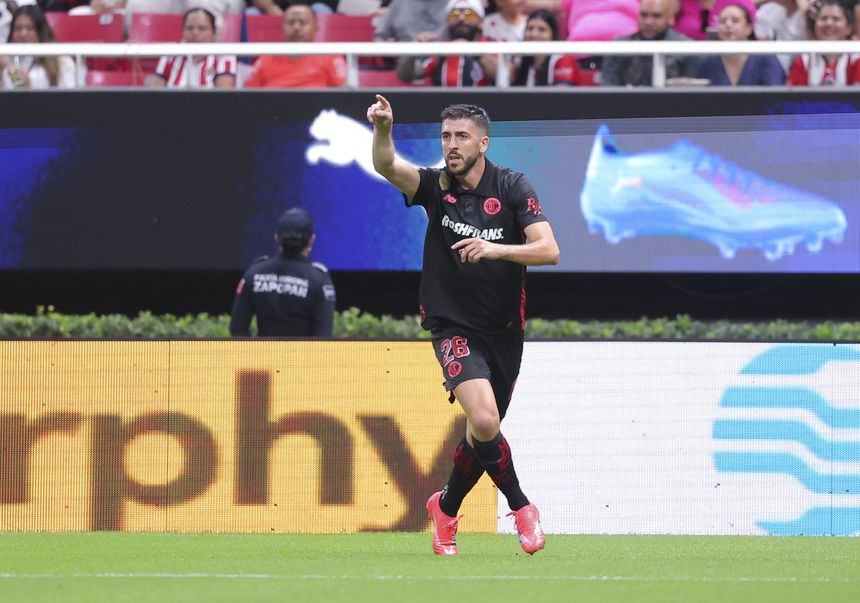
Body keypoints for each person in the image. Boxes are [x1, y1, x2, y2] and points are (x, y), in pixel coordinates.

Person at [367, 95, 560, 555]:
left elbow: (549, 250)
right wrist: (382, 130)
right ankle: (522, 507)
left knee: (481, 436)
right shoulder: (435, 187)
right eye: (446, 137)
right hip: (452, 325)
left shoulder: (512, 187)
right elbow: (386, 166)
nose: (451, 145)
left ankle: (446, 508)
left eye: (461, 137)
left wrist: (497, 249)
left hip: (504, 332)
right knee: (485, 417)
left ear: (483, 142)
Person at [230, 208, 336, 337]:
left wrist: (254, 356)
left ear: (277, 238)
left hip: (264, 356)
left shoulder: (254, 273)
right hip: (303, 357)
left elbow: (237, 329)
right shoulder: (319, 279)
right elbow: (323, 336)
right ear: (312, 239)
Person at [243, 4, 347, 88]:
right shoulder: (266, 59)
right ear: (282, 28)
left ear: (315, 28)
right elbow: (247, 95)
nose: (296, 27)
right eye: (291, 22)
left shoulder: (331, 57)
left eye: (302, 22)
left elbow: (343, 96)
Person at [396, 0, 497, 86]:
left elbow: (503, 75)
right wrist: (413, 48)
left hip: (483, 105)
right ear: (447, 21)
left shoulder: (492, 45)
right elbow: (406, 76)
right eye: (454, 14)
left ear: (480, 21)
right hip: (444, 105)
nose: (461, 19)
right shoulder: (440, 49)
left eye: (468, 14)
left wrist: (474, 51)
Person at [600, 0, 700, 86]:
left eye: (656, 16)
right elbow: (608, 89)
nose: (648, 22)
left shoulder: (687, 49)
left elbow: (688, 95)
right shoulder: (619, 47)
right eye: (644, 15)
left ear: (670, 19)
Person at [697, 0, 785, 85]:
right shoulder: (709, 63)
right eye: (723, 21)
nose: (728, 25)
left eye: (735, 20)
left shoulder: (766, 58)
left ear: (748, 28)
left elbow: (776, 96)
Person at [148, 8, 237, 88]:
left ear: (214, 34)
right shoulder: (170, 54)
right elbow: (154, 94)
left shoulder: (224, 56)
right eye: (189, 28)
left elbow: (223, 98)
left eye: (202, 28)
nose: (195, 33)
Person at [1, 4, 76, 89]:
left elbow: (68, 98)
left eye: (30, 28)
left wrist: (30, 89)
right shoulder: (3, 60)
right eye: (18, 29)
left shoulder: (61, 60)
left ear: (40, 31)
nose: (23, 34)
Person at [788, 0, 860, 85]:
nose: (829, 23)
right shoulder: (804, 61)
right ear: (814, 26)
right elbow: (793, 96)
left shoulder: (856, 58)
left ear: (849, 27)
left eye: (836, 19)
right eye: (823, 18)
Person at [512, 8, 583, 85]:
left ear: (553, 35)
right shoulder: (519, 61)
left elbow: (562, 95)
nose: (534, 34)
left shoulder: (564, 60)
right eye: (530, 29)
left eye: (541, 30)